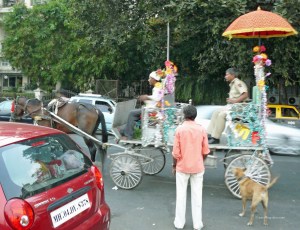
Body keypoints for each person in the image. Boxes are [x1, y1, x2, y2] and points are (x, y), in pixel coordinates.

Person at [172, 105, 210, 230]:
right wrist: (200, 161)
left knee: (181, 196)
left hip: (182, 167)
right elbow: (205, 151)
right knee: (197, 196)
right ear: (195, 116)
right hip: (198, 167)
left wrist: (174, 165)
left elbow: (176, 153)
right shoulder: (201, 129)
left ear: (184, 115)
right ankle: (197, 224)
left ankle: (179, 223)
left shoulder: (179, 129)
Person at [207, 67, 249, 144]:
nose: (225, 76)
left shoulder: (238, 83)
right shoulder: (232, 83)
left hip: (239, 107)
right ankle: (209, 134)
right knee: (216, 112)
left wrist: (234, 101)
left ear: (233, 75)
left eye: (227, 75)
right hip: (232, 106)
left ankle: (216, 138)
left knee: (222, 115)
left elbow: (245, 94)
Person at [121, 71, 163, 140]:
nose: (148, 80)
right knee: (135, 113)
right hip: (151, 108)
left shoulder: (157, 88)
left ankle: (128, 135)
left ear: (153, 79)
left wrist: (146, 97)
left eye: (150, 78)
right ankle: (125, 130)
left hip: (152, 110)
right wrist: (146, 98)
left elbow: (156, 98)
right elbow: (155, 98)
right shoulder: (157, 87)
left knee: (132, 113)